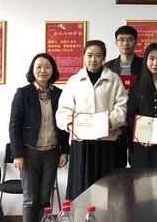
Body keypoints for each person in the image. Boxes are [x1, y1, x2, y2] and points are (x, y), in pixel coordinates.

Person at [56, 40, 128, 200]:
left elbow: (121, 108)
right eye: (89, 55)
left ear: (104, 58)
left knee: (107, 189)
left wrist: (106, 123)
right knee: (81, 188)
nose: (93, 60)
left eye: (98, 55)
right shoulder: (74, 80)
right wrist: (71, 125)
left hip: (107, 141)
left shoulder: (114, 79)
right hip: (81, 143)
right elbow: (63, 111)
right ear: (83, 56)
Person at [8, 53, 69, 222]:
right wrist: (18, 154)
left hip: (52, 153)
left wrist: (65, 151)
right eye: (39, 67)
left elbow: (63, 126)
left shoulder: (60, 94)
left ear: (53, 70)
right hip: (29, 153)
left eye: (47, 67)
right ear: (32, 70)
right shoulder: (23, 93)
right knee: (30, 200)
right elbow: (14, 126)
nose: (43, 70)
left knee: (45, 200)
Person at [105, 25, 142, 167]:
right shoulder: (108, 67)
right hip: (116, 122)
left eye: (130, 39)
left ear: (136, 42)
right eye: (121, 40)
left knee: (137, 163)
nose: (125, 43)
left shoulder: (144, 64)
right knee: (115, 163)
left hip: (138, 120)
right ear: (116, 42)